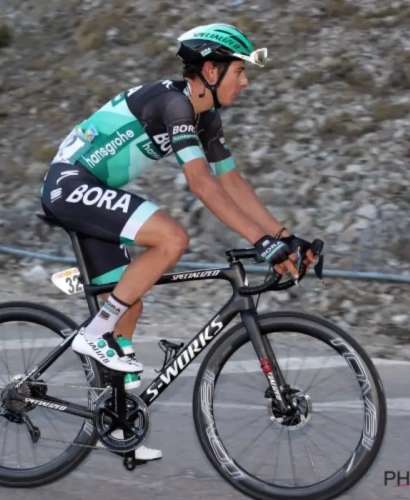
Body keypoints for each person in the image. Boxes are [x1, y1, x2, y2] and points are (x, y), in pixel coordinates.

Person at [39, 23, 319, 461]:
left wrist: (284, 237)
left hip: (91, 192)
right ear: (211, 69)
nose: (245, 81)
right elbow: (202, 185)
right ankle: (92, 333)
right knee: (171, 238)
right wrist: (261, 242)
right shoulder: (174, 104)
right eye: (239, 72)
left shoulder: (204, 114)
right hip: (70, 183)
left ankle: (119, 421)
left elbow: (231, 181)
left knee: (130, 301)